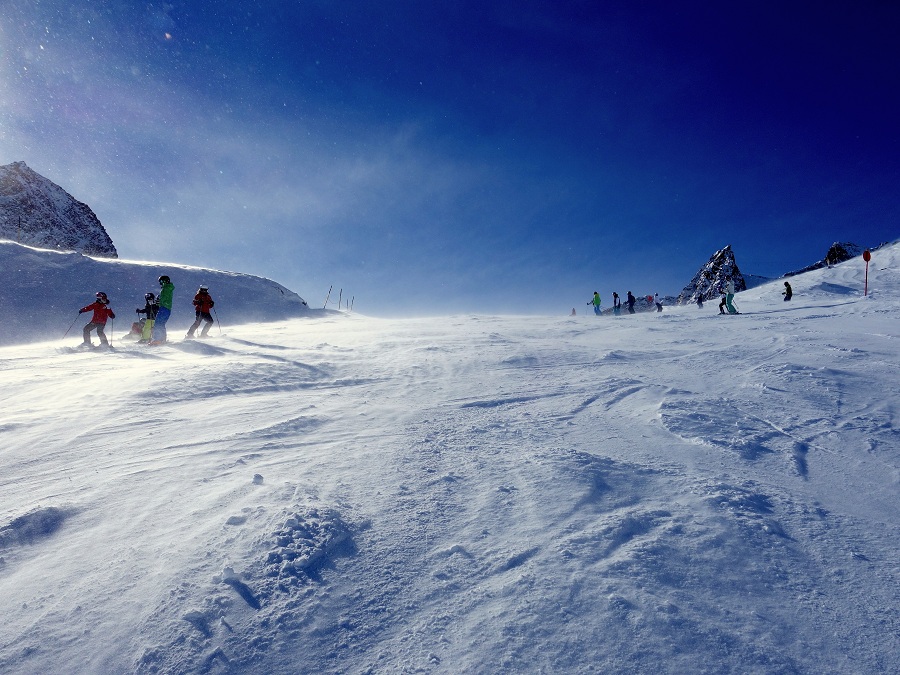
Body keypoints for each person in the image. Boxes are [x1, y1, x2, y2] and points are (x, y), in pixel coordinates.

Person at [151, 275, 174, 344]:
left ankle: (157, 339)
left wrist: (159, 301)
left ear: (165, 281)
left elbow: (165, 299)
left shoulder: (166, 289)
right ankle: (162, 339)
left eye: (161, 281)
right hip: (166, 308)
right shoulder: (167, 288)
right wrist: (158, 301)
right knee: (161, 324)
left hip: (164, 308)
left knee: (158, 324)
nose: (160, 283)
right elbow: (165, 299)